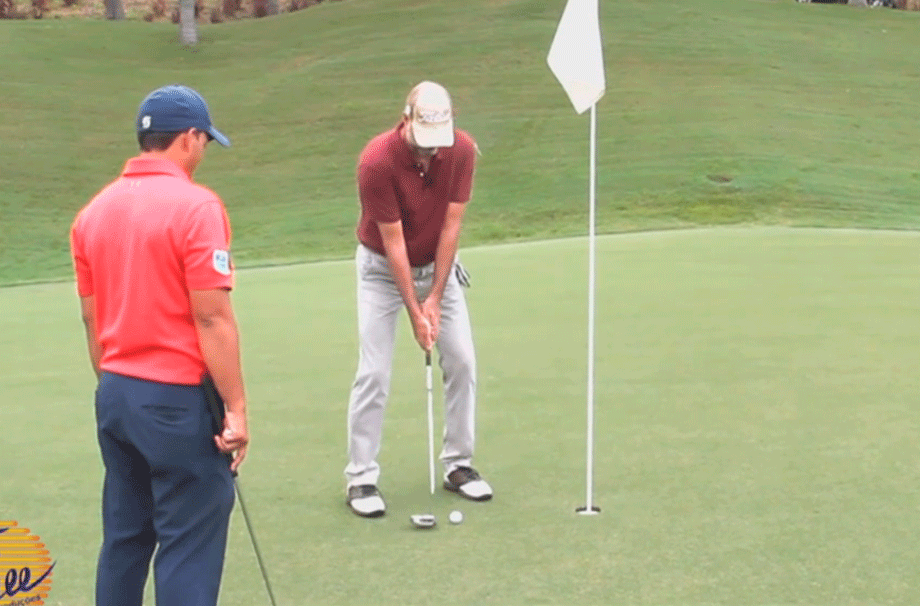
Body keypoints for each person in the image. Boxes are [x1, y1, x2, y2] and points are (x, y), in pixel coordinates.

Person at [70, 84, 249, 606]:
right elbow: (212, 317)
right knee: (188, 544)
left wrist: (118, 389)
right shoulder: (197, 206)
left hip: (116, 394)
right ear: (190, 138)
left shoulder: (93, 212)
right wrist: (236, 409)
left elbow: (90, 317)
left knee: (126, 539)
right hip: (176, 403)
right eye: (206, 141)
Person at [345, 80, 492, 518]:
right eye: (423, 142)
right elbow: (393, 244)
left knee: (462, 360)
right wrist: (416, 310)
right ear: (405, 120)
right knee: (374, 372)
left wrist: (436, 296)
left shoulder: (462, 151)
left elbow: (451, 228)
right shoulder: (376, 161)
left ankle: (459, 466)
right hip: (380, 271)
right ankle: (361, 477)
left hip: (437, 267)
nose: (430, 152)